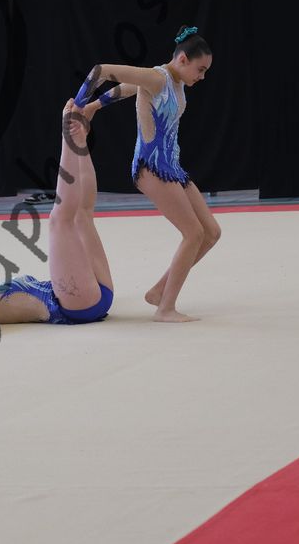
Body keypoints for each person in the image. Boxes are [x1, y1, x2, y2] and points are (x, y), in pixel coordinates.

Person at [0, 102, 113, 343]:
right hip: (78, 306)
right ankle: (67, 137)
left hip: (93, 295)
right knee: (59, 220)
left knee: (82, 214)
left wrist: (79, 141)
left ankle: (80, 141)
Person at [72, 25, 220, 323]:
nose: (202, 76)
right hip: (151, 167)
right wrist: (78, 105)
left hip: (172, 166)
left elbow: (127, 88)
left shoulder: (171, 81)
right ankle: (165, 308)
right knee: (193, 234)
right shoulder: (157, 77)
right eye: (200, 69)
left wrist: (96, 106)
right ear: (182, 59)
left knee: (211, 233)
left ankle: (159, 291)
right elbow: (100, 70)